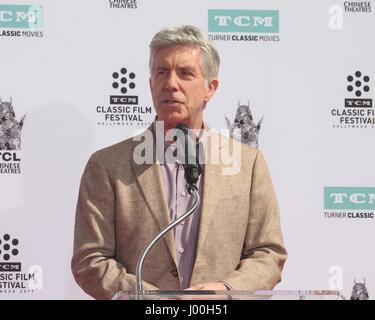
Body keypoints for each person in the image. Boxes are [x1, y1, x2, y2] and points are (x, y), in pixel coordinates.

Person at [71, 25, 287, 300]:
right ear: (151, 85)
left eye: (185, 73)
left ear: (210, 88)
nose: (170, 83)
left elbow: (268, 252)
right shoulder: (107, 165)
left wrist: (227, 290)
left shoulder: (248, 165)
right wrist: (153, 299)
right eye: (161, 72)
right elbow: (90, 259)